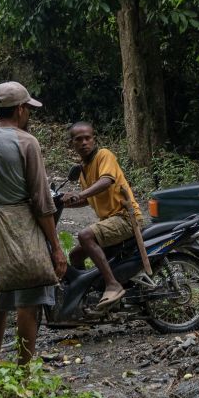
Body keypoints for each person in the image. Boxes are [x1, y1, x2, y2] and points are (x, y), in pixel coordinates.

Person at [0, 81, 67, 366]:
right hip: (23, 230)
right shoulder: (26, 142)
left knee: (0, 301)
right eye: (28, 110)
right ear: (21, 109)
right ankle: (24, 374)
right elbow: (41, 200)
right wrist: (56, 247)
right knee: (29, 302)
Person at [62, 121, 140, 309]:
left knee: (85, 235)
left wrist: (79, 194)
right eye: (78, 140)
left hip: (126, 217)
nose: (84, 143)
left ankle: (113, 285)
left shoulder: (104, 155)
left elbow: (106, 181)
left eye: (87, 138)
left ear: (94, 139)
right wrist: (61, 204)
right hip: (111, 221)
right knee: (75, 256)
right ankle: (85, 294)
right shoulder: (83, 170)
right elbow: (89, 198)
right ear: (72, 144)